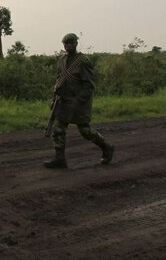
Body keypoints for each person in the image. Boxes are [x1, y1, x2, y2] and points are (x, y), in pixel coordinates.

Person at [44, 33, 114, 168]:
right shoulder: (62, 60)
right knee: (58, 129)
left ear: (76, 43)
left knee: (85, 131)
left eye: (70, 43)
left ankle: (106, 147)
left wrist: (79, 101)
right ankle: (59, 159)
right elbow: (59, 80)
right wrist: (54, 99)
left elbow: (89, 85)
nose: (68, 46)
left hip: (78, 102)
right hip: (63, 101)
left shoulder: (83, 61)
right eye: (65, 44)